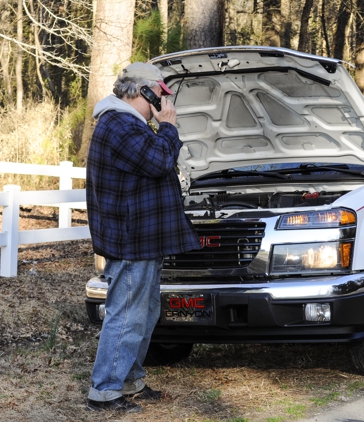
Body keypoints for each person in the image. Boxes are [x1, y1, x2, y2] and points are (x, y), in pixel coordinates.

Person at [85, 62, 200, 413]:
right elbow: (158, 161)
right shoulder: (119, 124)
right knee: (127, 314)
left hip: (141, 238)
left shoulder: (129, 124)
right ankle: (104, 390)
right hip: (131, 238)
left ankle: (130, 380)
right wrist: (168, 127)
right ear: (143, 91)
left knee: (145, 311)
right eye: (160, 94)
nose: (165, 103)